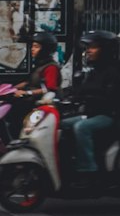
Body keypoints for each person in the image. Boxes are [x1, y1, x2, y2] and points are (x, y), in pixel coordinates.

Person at [61, 30, 120, 182]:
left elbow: (108, 97)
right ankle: (66, 162)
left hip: (108, 116)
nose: (88, 51)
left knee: (81, 127)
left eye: (93, 47)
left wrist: (87, 98)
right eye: (88, 47)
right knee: (60, 124)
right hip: (92, 114)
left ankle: (87, 169)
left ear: (105, 49)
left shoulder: (114, 72)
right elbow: (81, 90)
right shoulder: (95, 71)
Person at [14, 26, 61, 100]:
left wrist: (27, 93)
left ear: (45, 49)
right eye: (32, 46)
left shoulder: (51, 67)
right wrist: (11, 88)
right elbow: (30, 83)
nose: (32, 49)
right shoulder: (39, 65)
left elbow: (50, 89)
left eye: (36, 47)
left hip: (41, 105)